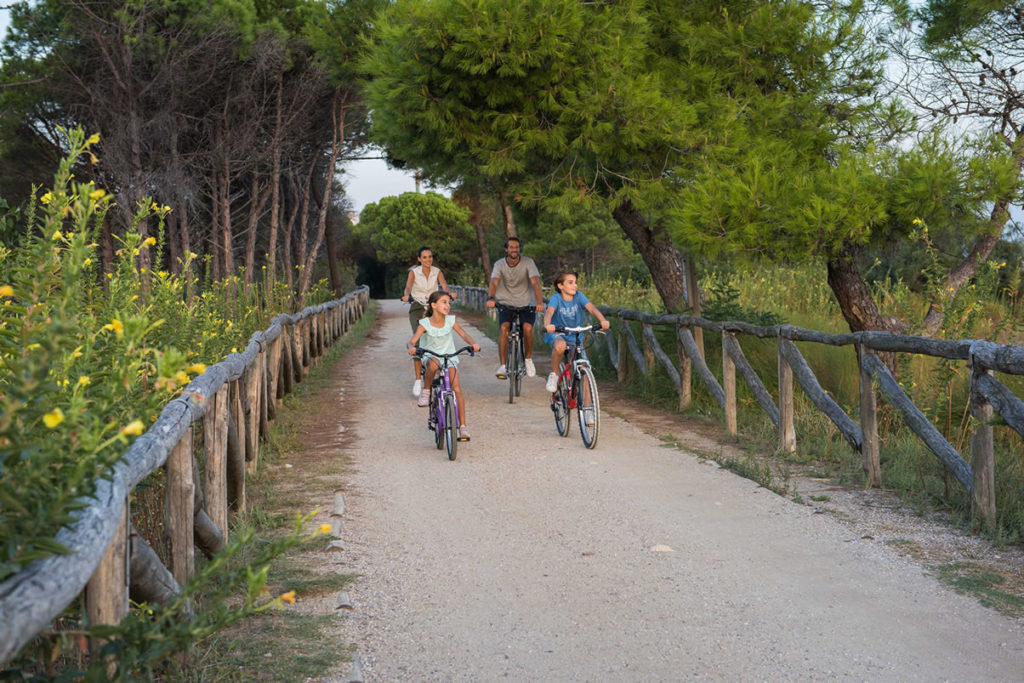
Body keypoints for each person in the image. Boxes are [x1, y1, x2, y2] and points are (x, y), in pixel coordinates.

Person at [408, 290, 481, 441]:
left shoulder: (451, 320)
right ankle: (426, 390)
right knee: (433, 364)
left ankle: (463, 427)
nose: (447, 306)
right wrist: (412, 347)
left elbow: (463, 334)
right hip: (431, 355)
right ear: (433, 305)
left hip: (449, 357)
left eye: (448, 303)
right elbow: (412, 340)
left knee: (456, 389)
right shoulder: (425, 323)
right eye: (444, 302)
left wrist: (473, 344)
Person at [485, 236, 544, 379]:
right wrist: (491, 298)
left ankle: (528, 359)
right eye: (511, 247)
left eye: (516, 247)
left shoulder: (528, 262)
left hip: (526, 302)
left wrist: (539, 302)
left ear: (519, 249)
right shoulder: (499, 264)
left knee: (528, 328)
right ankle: (503, 366)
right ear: (506, 249)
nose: (514, 250)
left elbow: (535, 283)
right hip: (505, 302)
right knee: (504, 328)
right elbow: (494, 282)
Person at [401, 246, 456, 399]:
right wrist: (406, 296)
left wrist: (448, 293)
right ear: (419, 259)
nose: (428, 260)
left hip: (433, 306)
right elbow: (408, 287)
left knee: (439, 336)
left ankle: (437, 368)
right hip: (418, 306)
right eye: (424, 257)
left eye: (430, 257)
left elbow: (444, 285)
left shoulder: (437, 271)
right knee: (418, 342)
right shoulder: (414, 272)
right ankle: (419, 379)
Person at [542, 271, 610, 392]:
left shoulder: (579, 296)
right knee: (560, 346)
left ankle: (588, 408)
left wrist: (603, 321)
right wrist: (548, 325)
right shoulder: (556, 298)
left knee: (584, 368)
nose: (575, 285)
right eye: (570, 282)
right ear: (560, 286)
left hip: (575, 335)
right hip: (558, 333)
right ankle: (554, 374)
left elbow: (592, 308)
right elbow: (549, 312)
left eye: (575, 282)